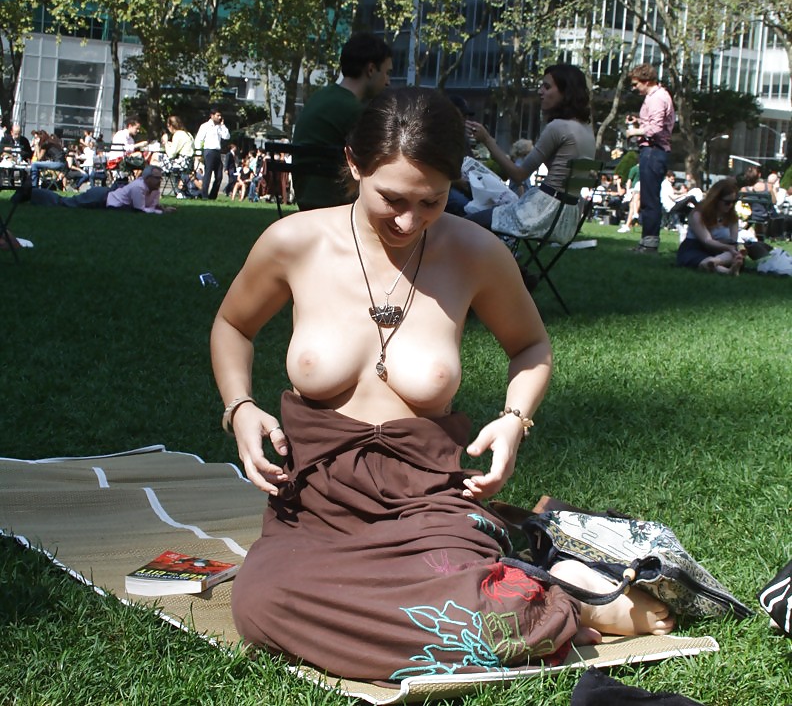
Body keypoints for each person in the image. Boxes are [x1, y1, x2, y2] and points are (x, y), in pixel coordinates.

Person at [211, 86, 673, 684]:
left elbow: (530, 346)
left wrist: (514, 420)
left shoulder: (474, 252)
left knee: (468, 605)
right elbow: (232, 325)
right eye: (392, 199)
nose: (408, 221)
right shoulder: (295, 242)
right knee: (262, 603)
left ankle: (560, 601)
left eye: (430, 201)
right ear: (354, 164)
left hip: (427, 496)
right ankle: (545, 598)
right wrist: (240, 407)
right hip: (318, 501)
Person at [465, 64, 596, 244]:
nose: (540, 91)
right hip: (567, 217)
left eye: (547, 87)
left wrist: (487, 140)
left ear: (566, 92)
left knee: (469, 222)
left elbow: (519, 175)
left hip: (542, 212)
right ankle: (515, 267)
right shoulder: (587, 130)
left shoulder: (557, 127)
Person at [291, 32, 393, 210]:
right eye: (386, 72)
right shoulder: (354, 111)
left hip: (306, 197)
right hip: (339, 202)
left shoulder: (320, 98)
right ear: (370, 70)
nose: (388, 81)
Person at [625, 64, 675, 254]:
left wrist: (633, 131)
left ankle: (649, 244)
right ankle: (646, 242)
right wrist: (639, 121)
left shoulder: (657, 98)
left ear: (646, 81)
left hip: (654, 151)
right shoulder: (657, 97)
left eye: (636, 84)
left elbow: (655, 128)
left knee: (650, 199)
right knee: (648, 197)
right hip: (654, 151)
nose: (634, 87)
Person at [16, 166, 176, 214]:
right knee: (64, 203)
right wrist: (161, 212)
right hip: (100, 199)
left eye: (160, 178)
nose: (159, 181)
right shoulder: (138, 187)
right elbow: (140, 210)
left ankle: (32, 193)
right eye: (157, 178)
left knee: (65, 202)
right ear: (147, 178)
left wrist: (161, 208)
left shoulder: (153, 189)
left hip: (104, 198)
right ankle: (31, 193)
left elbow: (151, 206)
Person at [676, 177, 744, 274]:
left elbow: (732, 242)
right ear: (716, 200)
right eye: (727, 202)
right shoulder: (698, 214)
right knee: (702, 260)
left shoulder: (732, 218)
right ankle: (728, 271)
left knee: (734, 254)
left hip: (720, 252)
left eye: (734, 202)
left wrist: (735, 249)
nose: (731, 206)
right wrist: (728, 247)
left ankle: (714, 262)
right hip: (696, 248)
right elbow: (707, 241)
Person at [195, 104, 229, 199]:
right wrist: (198, 153)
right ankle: (204, 195)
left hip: (217, 152)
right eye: (217, 115)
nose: (219, 117)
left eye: (220, 115)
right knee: (208, 174)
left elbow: (226, 136)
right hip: (209, 151)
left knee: (219, 176)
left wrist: (223, 126)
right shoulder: (205, 126)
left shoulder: (219, 127)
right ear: (212, 115)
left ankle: (213, 195)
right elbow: (198, 139)